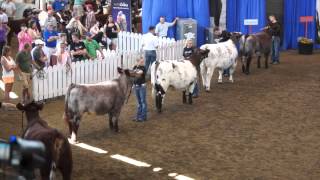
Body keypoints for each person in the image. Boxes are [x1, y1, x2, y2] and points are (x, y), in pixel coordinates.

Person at [132, 57, 147, 122]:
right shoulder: (135, 67)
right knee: (139, 102)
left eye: (142, 61)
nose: (141, 63)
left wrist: (135, 70)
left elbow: (139, 73)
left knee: (143, 102)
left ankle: (143, 117)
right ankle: (138, 116)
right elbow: (133, 75)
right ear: (137, 61)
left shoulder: (143, 68)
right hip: (136, 86)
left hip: (142, 86)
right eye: (140, 61)